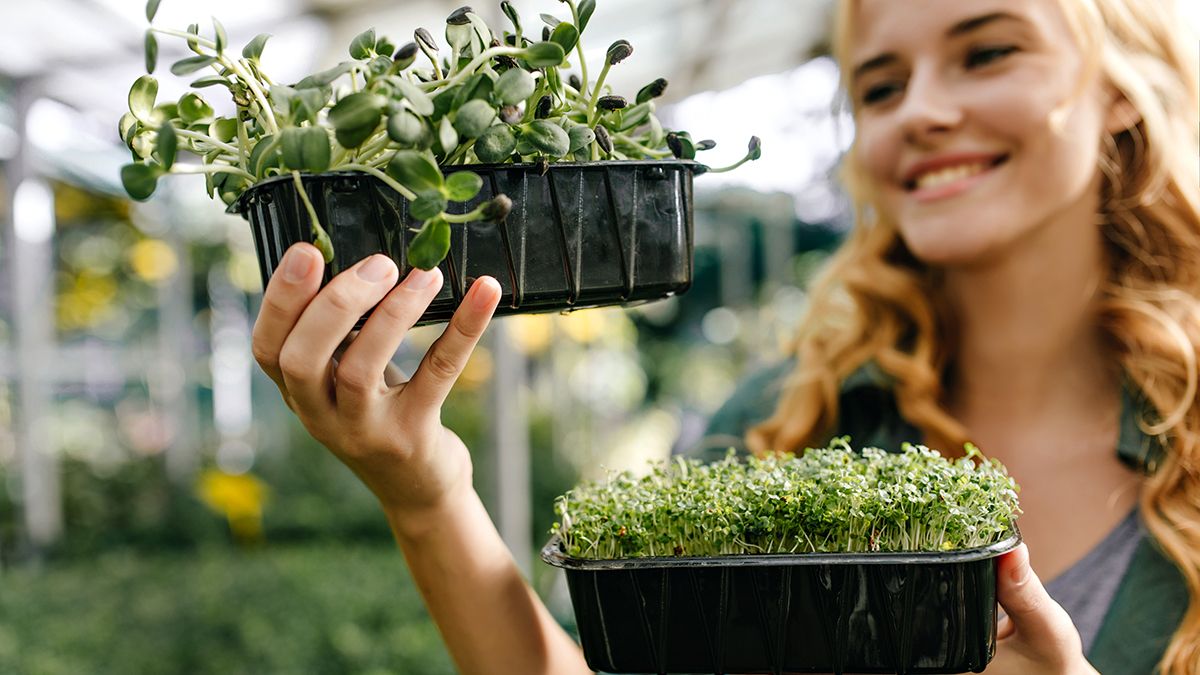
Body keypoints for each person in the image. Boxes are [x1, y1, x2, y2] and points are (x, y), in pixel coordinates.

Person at [249, 0, 1199, 672]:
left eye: (986, 53)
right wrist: (426, 494)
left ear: (1121, 87)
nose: (922, 110)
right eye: (880, 87)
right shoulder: (787, 420)